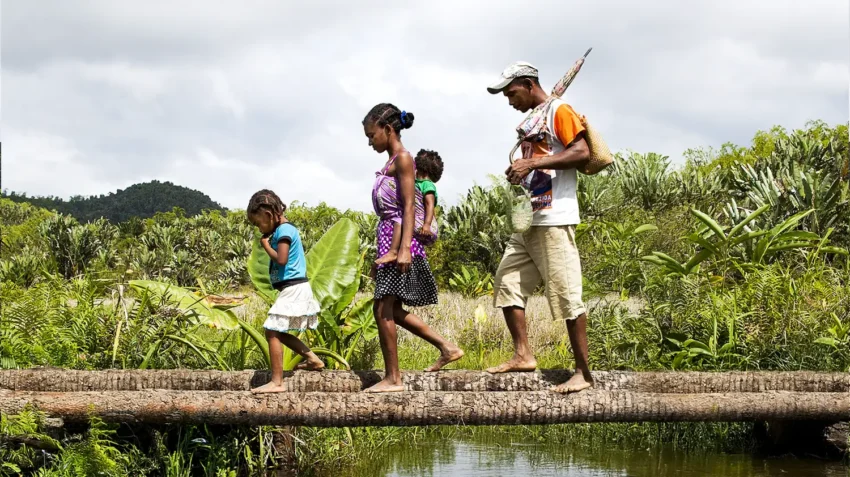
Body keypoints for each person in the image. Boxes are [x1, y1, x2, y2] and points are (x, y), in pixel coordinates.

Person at [485, 61, 594, 394]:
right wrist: (521, 168)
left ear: (529, 83)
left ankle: (583, 373)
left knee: (565, 294)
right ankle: (523, 354)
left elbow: (581, 151)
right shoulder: (534, 119)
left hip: (555, 218)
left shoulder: (559, 110)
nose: (508, 100)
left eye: (511, 92)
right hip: (530, 218)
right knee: (507, 281)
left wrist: (532, 162)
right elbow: (540, 161)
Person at [364, 103, 463, 393]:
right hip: (390, 239)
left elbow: (408, 206)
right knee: (388, 309)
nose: (370, 141)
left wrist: (403, 248)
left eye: (372, 135)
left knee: (383, 308)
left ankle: (393, 379)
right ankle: (447, 347)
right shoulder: (392, 160)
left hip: (401, 242)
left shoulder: (404, 159)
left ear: (388, 129)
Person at [246, 189, 325, 394]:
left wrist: (265, 245)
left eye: (258, 223)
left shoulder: (285, 231)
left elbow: (281, 259)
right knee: (277, 331)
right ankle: (313, 359)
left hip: (294, 287)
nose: (258, 228)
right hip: (293, 287)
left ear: (269, 215)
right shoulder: (283, 230)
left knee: (271, 330)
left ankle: (277, 382)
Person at [374, 148, 443, 266]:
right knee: (401, 219)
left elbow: (429, 205)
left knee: (399, 220)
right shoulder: (415, 182)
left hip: (426, 223)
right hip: (420, 222)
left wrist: (426, 225)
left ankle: (393, 252)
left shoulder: (427, 185)